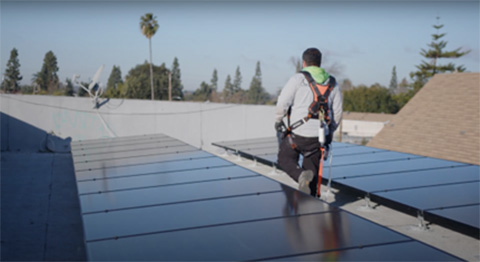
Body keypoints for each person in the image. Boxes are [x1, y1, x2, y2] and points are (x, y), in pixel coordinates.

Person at [275, 48, 343, 196]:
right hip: (319, 138)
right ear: (319, 63)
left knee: (284, 158)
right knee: (311, 175)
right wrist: (330, 131)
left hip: (298, 134)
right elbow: (337, 112)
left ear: (304, 62)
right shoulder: (332, 82)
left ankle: (300, 176)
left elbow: (282, 103)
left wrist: (278, 119)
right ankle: (310, 209)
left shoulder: (298, 79)